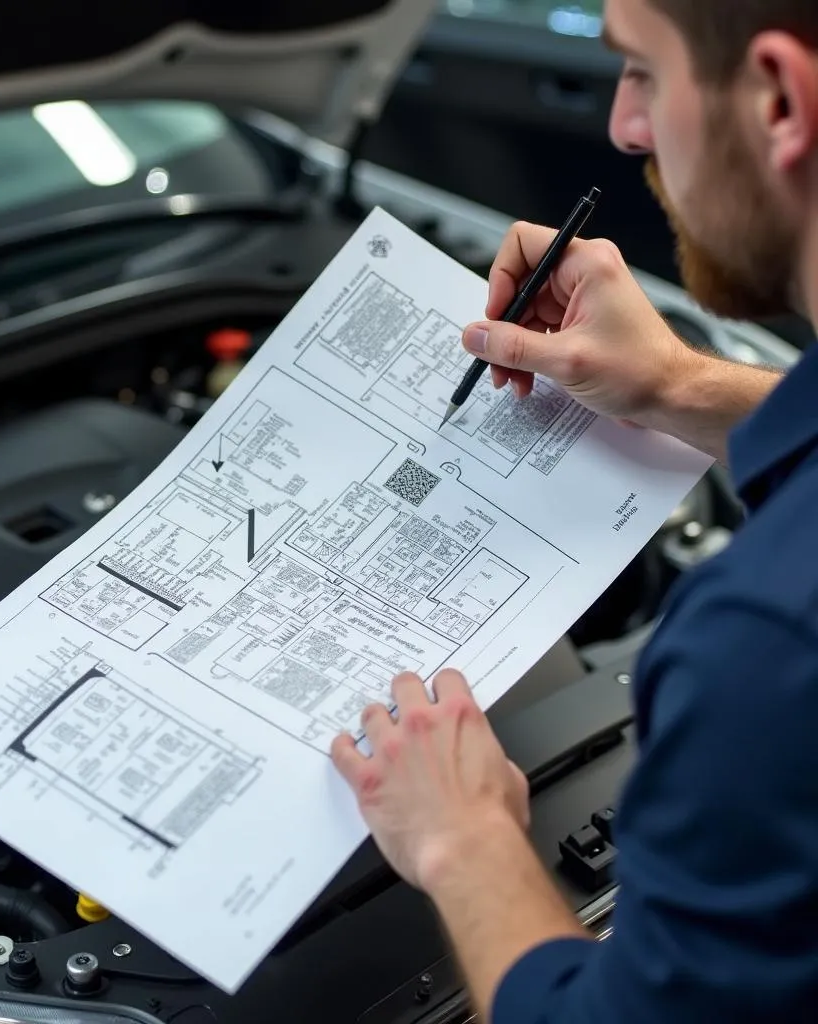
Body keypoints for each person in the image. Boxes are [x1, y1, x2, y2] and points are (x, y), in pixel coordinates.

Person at [331, 1, 818, 1021]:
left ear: (778, 100)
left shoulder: (765, 642)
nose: (623, 126)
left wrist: (463, 845)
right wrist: (679, 387)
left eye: (640, 70)